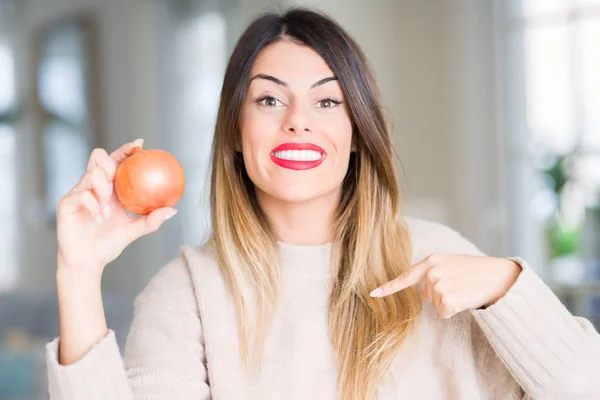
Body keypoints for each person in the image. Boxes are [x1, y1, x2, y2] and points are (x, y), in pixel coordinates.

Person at [46, 7, 600, 400]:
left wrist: (508, 286)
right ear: (235, 134)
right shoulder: (186, 293)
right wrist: (79, 271)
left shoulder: (437, 258)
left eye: (328, 99)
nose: (298, 120)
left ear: (357, 132)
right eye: (269, 99)